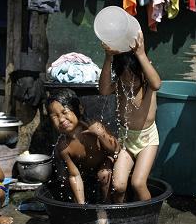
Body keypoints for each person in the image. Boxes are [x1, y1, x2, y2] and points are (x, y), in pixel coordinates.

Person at [99, 30, 162, 203]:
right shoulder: (119, 84)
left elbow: (157, 83)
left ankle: (147, 216)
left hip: (147, 140)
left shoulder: (148, 84)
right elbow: (104, 90)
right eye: (125, 78)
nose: (130, 82)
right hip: (126, 140)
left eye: (134, 77)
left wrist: (141, 54)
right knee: (118, 185)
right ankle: (120, 216)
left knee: (138, 183)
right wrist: (108, 57)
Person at [48, 88, 120, 204]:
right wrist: (81, 206)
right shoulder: (64, 146)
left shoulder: (93, 127)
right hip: (84, 172)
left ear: (79, 109)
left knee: (104, 174)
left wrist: (101, 134)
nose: (61, 119)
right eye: (54, 117)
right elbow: (74, 175)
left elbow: (116, 149)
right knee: (63, 179)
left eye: (65, 112)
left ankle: (107, 206)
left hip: (105, 165)